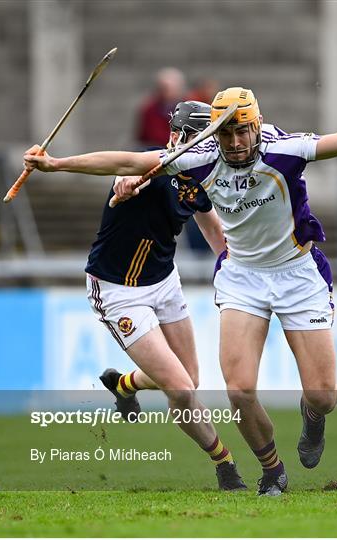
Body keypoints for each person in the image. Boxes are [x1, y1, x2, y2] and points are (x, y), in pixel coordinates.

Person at [24, 85, 337, 495]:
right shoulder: (195, 159)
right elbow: (127, 162)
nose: (234, 142)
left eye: (242, 131)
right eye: (226, 132)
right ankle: (271, 470)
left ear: (257, 124)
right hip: (242, 277)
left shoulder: (284, 151)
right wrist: (57, 164)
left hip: (296, 273)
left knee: (325, 396)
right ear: (216, 130)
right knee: (239, 390)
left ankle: (312, 416)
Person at [85, 100, 246, 491]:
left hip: (164, 281)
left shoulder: (199, 178)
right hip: (118, 289)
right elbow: (127, 177)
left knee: (190, 378)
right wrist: (125, 183)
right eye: (202, 139)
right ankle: (225, 465)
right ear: (178, 136)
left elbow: (213, 231)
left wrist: (237, 266)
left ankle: (125, 385)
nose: (211, 147)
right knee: (181, 388)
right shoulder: (148, 167)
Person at [135, 67, 186, 148]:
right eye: (164, 88)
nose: (167, 91)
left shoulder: (188, 108)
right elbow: (150, 135)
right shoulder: (150, 109)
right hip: (155, 150)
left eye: (172, 88)